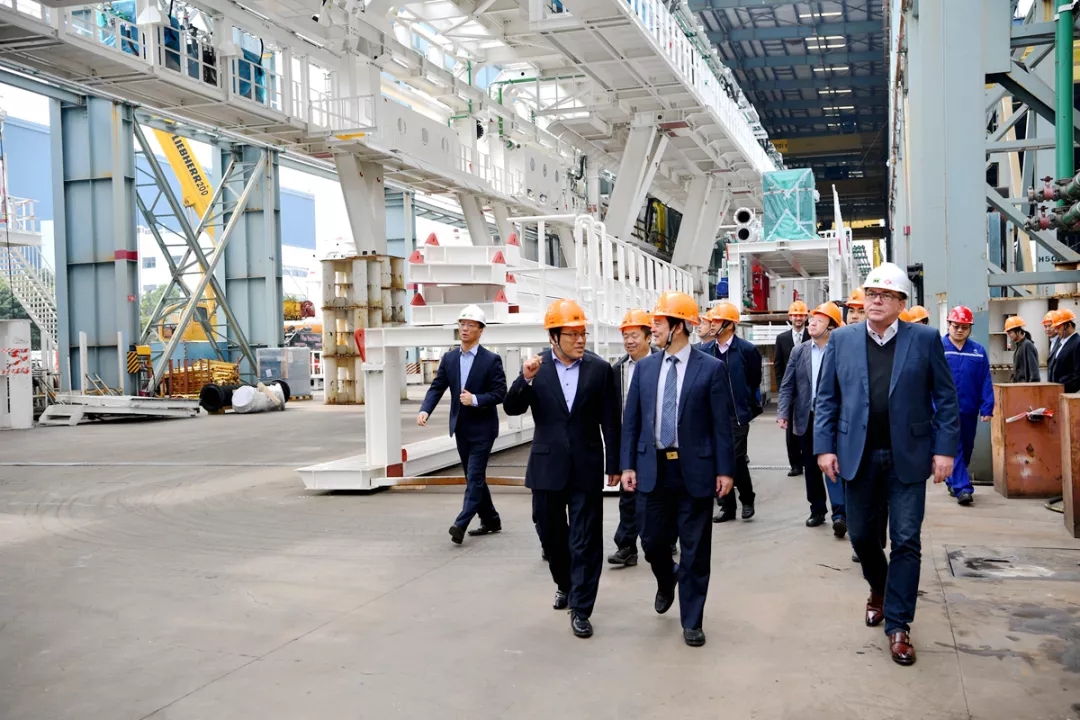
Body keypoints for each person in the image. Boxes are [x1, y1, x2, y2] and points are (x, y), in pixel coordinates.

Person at [814, 261, 959, 667]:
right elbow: (827, 398)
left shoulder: (924, 339)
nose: (875, 301)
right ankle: (879, 587)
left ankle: (898, 624)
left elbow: (946, 398)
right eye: (871, 294)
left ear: (901, 303)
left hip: (907, 457)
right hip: (856, 454)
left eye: (885, 295)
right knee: (861, 536)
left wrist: (945, 450)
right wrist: (824, 447)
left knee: (907, 540)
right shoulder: (842, 340)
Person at [619, 291, 735, 647]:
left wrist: (725, 471)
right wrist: (627, 465)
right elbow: (631, 421)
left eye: (658, 322)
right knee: (652, 541)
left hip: (695, 470)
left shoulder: (711, 369)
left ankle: (692, 620)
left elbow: (722, 425)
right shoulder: (645, 369)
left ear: (679, 327)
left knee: (695, 549)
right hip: (653, 469)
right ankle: (667, 577)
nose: (652, 328)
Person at [503, 298, 620, 639]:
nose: (580, 340)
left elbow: (611, 421)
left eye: (583, 333)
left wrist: (615, 463)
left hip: (586, 466)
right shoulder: (536, 368)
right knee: (551, 534)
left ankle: (581, 608)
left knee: (586, 539)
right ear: (554, 337)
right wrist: (524, 380)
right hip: (547, 466)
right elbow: (511, 408)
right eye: (572, 334)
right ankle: (565, 584)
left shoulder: (600, 369)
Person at [418, 305, 507, 544]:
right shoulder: (450, 358)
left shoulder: (491, 360)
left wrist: (475, 399)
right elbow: (437, 387)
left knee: (475, 476)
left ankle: (461, 523)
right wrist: (425, 409)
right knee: (473, 477)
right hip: (461, 429)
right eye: (462, 324)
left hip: (484, 429)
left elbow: (500, 393)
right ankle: (491, 519)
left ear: (480, 330)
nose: (465, 329)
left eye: (470, 325)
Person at [778, 302, 846, 537]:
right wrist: (783, 412)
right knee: (811, 466)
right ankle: (817, 510)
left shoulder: (840, 351)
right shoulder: (800, 351)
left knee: (834, 464)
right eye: (811, 320)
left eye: (819, 320)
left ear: (831, 327)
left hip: (833, 418)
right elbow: (787, 385)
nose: (812, 323)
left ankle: (840, 513)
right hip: (806, 417)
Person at [608, 308, 656, 568]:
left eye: (635, 335)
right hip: (629, 442)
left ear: (648, 337)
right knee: (628, 495)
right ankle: (627, 546)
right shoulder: (617, 371)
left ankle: (665, 538)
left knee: (660, 494)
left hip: (657, 441)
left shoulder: (663, 364)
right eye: (625, 336)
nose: (629, 341)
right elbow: (612, 417)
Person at [708, 301, 762, 522]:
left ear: (730, 325)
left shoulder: (747, 350)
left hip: (737, 415)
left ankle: (747, 499)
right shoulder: (706, 351)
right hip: (713, 415)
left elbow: (754, 379)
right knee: (717, 459)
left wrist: (744, 403)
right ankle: (727, 507)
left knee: (736, 459)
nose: (712, 324)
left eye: (717, 320)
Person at [941, 306, 994, 506]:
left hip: (969, 409)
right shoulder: (938, 348)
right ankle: (963, 488)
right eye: (956, 326)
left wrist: (987, 407)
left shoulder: (978, 352)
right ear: (949, 325)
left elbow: (985, 380)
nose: (959, 330)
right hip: (944, 410)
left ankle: (952, 479)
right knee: (955, 447)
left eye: (964, 327)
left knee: (967, 447)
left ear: (970, 328)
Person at [773, 301, 810, 478]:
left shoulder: (812, 335)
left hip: (808, 390)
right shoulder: (782, 338)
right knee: (790, 431)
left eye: (801, 315)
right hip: (790, 391)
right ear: (790, 317)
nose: (798, 318)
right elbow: (778, 365)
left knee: (808, 426)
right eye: (795, 315)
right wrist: (783, 389)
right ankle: (795, 464)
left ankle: (808, 461)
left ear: (806, 317)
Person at [1049, 308, 1080, 392]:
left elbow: (1077, 375)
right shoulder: (1060, 343)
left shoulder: (1077, 343)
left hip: (1067, 392)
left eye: (1058, 327)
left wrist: (1062, 387)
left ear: (1068, 325)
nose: (1056, 331)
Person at [1005, 316, 1040, 383]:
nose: (1009, 335)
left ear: (1018, 331)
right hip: (1019, 386)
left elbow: (1034, 371)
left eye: (1011, 332)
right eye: (1008, 333)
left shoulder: (1027, 345)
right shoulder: (1019, 346)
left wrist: (1032, 386)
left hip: (1025, 386)